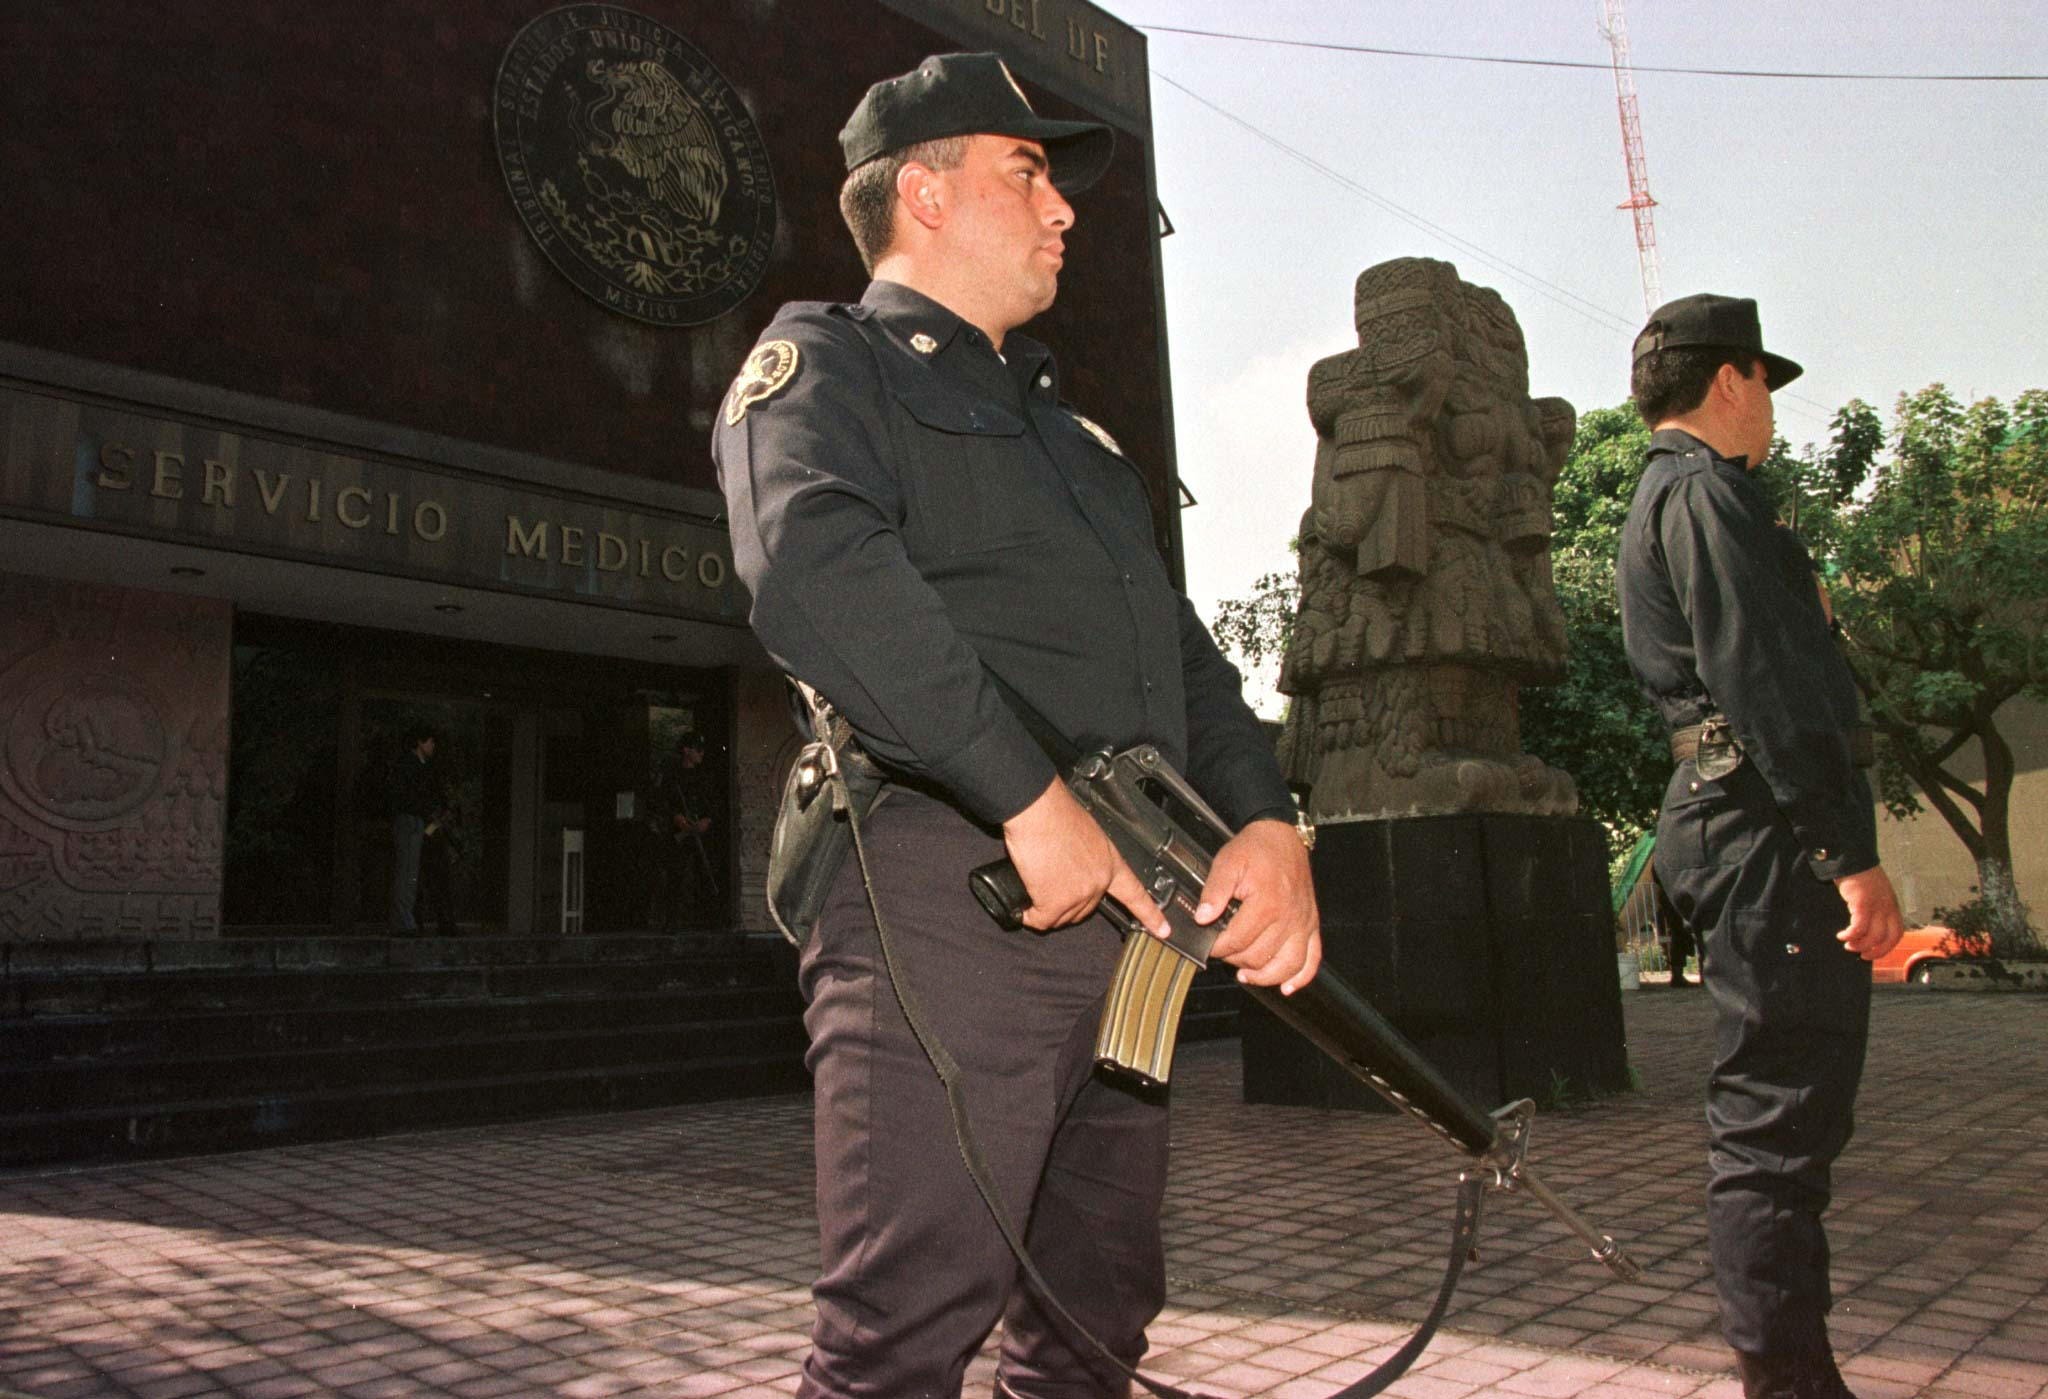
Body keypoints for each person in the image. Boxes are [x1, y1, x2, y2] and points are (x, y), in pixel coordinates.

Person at [712, 52, 1321, 1398]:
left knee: (1097, 1319)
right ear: (922, 194)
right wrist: (1026, 797)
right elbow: (816, 573)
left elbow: (1180, 655)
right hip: (958, 894)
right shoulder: (828, 362)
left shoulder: (1079, 441)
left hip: (1134, 932)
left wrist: (1269, 820)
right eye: (1028, 170)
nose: (1063, 208)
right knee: (904, 1330)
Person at [1616, 294, 1905, 1399]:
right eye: (1765, 388)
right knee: (1774, 1122)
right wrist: (1846, 854)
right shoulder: (1702, 497)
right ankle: (1787, 1383)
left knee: (1784, 1113)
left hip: (1735, 814)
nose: (1771, 415)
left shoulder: (1683, 497)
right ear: (1731, 380)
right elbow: (1770, 684)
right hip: (1762, 829)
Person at [651, 731, 720, 930]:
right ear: (686, 750)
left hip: (701, 833)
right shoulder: (673, 777)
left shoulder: (705, 776)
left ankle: (706, 921)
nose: (701, 754)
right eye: (697, 749)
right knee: (676, 875)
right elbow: (664, 801)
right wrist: (677, 817)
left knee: (705, 873)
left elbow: (714, 803)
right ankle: (672, 921)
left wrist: (707, 820)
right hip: (680, 833)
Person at [387, 726, 436, 934]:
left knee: (410, 871)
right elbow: (407, 796)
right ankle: (402, 919)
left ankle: (405, 917)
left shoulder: (418, 766)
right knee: (407, 871)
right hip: (410, 819)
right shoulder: (409, 766)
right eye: (431, 742)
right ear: (420, 742)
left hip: (415, 820)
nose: (433, 746)